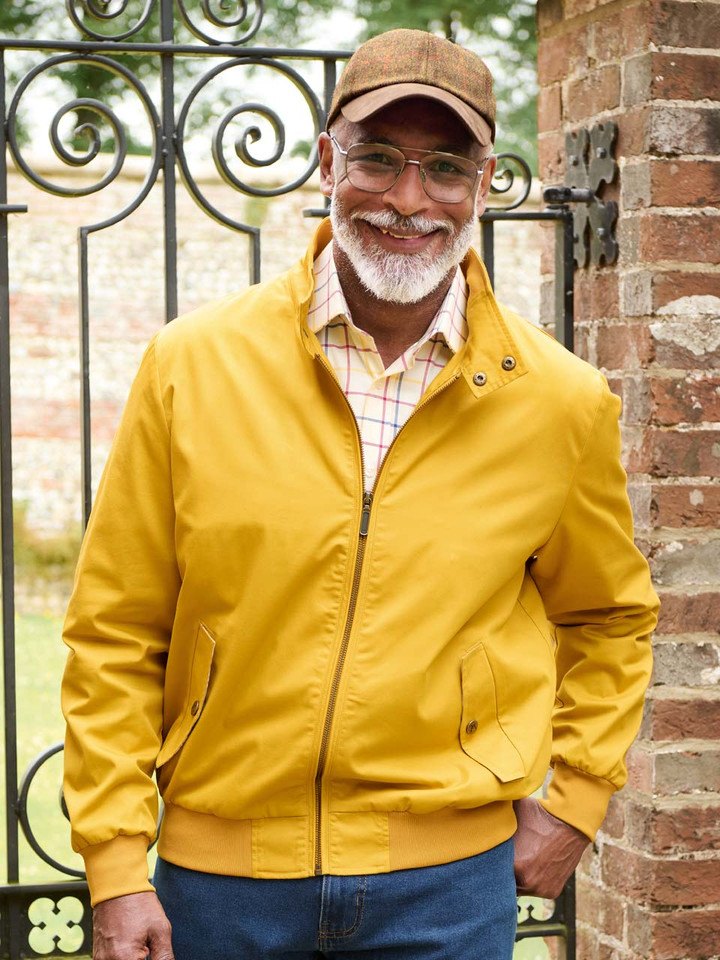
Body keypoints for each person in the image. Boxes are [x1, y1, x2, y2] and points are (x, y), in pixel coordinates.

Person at [61, 27, 659, 960]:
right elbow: (116, 628)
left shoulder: (559, 401)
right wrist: (113, 864)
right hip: (219, 888)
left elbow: (611, 618)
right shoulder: (192, 364)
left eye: (445, 169)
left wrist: (576, 804)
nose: (408, 201)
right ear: (327, 160)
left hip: (448, 893)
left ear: (484, 184)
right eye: (377, 158)